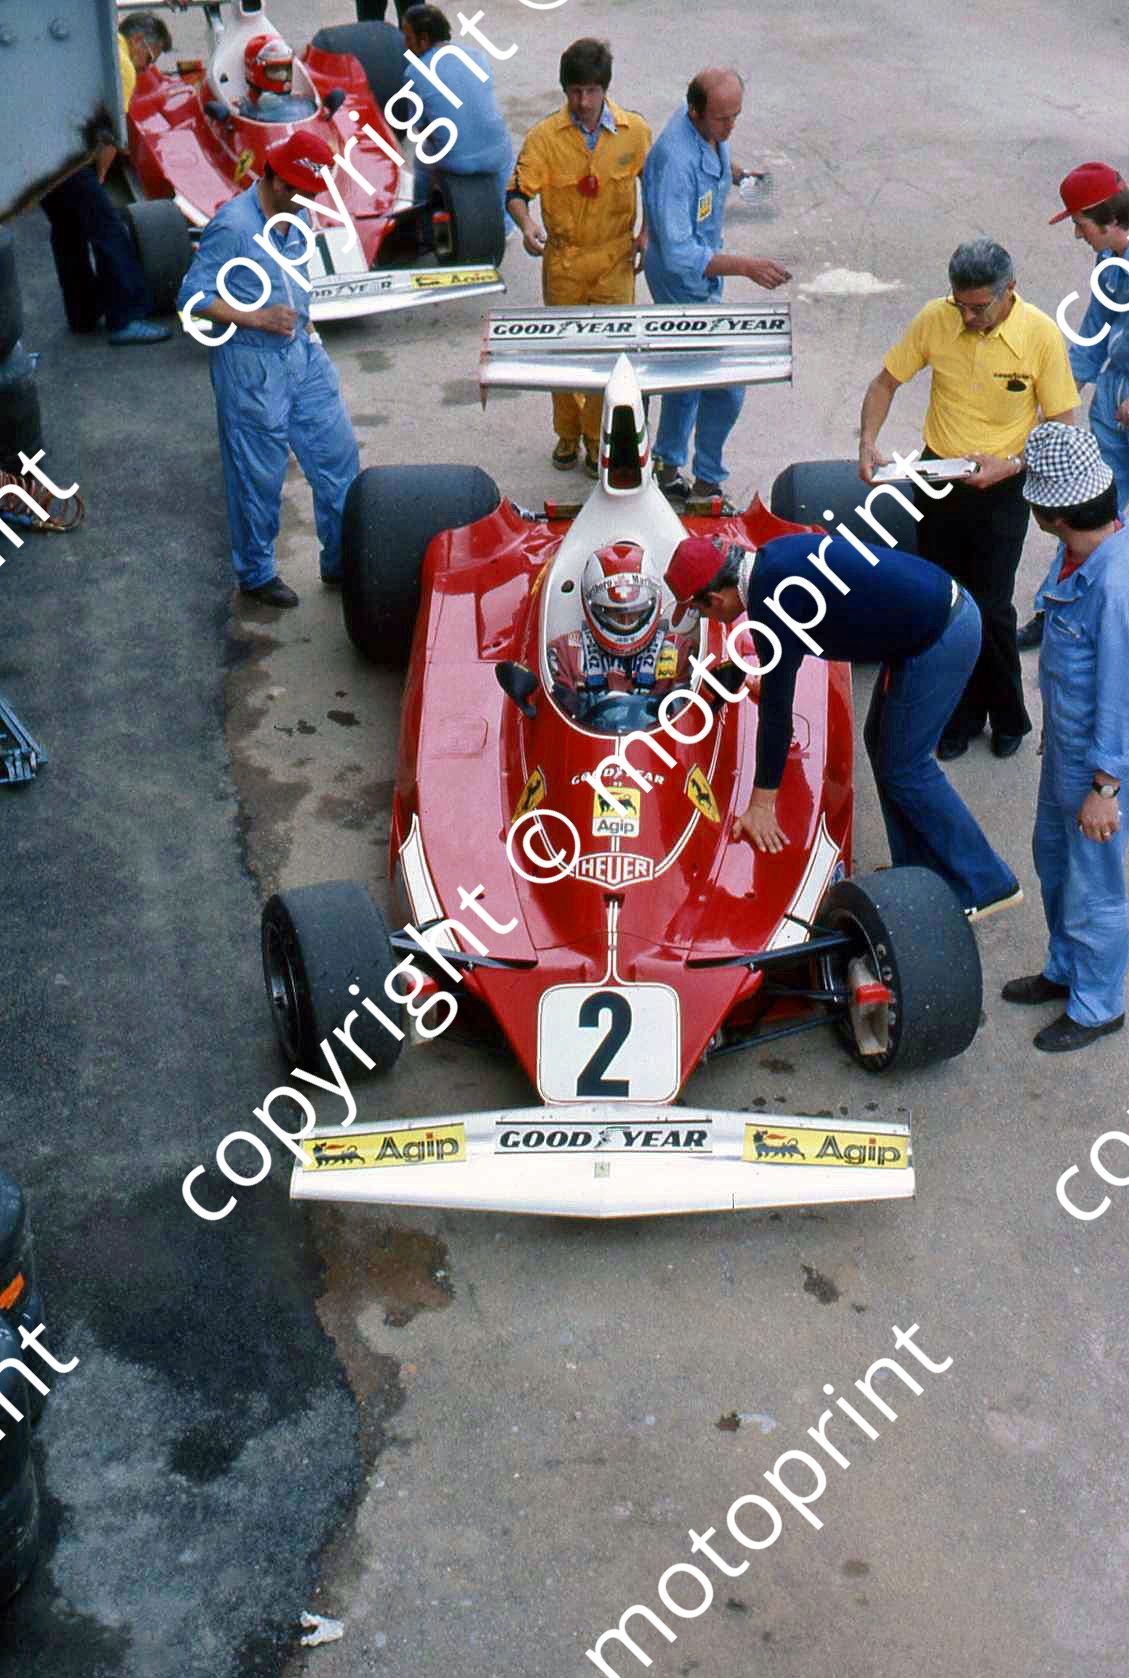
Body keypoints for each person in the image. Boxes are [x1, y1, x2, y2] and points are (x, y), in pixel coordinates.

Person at [663, 533, 1022, 920]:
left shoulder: (773, 600)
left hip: (940, 636)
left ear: (715, 599)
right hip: (925, 620)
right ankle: (917, 872)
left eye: (703, 612)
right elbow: (787, 662)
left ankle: (986, 883)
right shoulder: (771, 564)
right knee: (881, 744)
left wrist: (762, 805)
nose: (710, 619)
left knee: (906, 768)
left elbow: (777, 714)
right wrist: (771, 682)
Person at [859, 238, 1078, 761]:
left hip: (1003, 485)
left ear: (1010, 293)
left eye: (979, 307)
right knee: (943, 601)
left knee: (993, 606)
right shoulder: (936, 320)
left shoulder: (1041, 336)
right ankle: (955, 716)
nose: (969, 316)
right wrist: (868, 441)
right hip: (938, 478)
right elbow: (884, 383)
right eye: (961, 304)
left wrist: (1015, 464)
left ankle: (1007, 715)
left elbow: (1063, 424)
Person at [175, 132, 360, 608]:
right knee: (257, 476)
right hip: (251, 364)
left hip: (302, 353)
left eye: (312, 195)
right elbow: (191, 300)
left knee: (337, 459)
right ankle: (256, 574)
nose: (306, 204)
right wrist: (256, 317)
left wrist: (307, 326)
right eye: (299, 194)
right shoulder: (232, 227)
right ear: (275, 179)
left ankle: (342, 561)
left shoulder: (297, 218)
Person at [1000, 424, 1129, 1052]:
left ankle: (1100, 1003)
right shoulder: (1078, 553)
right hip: (1067, 749)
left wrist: (1105, 788)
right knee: (1054, 857)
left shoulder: (1113, 587)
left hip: (1098, 765)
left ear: (1048, 515)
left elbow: (1119, 697)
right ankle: (1065, 969)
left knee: (1094, 880)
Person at [642, 69, 790, 507]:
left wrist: (738, 175)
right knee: (722, 382)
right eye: (723, 119)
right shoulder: (675, 160)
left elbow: (715, 158)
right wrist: (744, 266)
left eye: (735, 117)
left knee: (689, 377)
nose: (730, 128)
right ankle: (703, 480)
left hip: (703, 276)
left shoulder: (705, 131)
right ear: (695, 111)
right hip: (682, 280)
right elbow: (679, 253)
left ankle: (670, 466)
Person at [507, 39, 650, 478]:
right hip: (564, 263)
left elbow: (656, 187)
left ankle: (597, 440)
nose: (582, 102)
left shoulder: (635, 132)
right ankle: (567, 434)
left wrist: (646, 232)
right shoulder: (545, 138)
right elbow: (516, 193)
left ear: (605, 89)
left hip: (615, 262)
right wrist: (528, 225)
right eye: (573, 92)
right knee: (566, 355)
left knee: (611, 357)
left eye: (590, 91)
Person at [1020, 163, 1129, 652]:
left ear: (1102, 216)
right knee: (1084, 507)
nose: (1078, 236)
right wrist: (1052, 397)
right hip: (1114, 404)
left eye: (1078, 225)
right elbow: (1092, 335)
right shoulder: (1109, 263)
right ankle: (1056, 603)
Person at [39, 13, 174, 345]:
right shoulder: (121, 64)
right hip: (71, 157)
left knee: (67, 231)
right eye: (150, 60)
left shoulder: (94, 46)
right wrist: (97, 176)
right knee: (109, 229)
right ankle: (125, 317)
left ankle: (82, 314)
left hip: (42, 156)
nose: (145, 70)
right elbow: (111, 136)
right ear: (139, 42)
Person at [400, 6, 514, 231]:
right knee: (505, 161)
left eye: (408, 37)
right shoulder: (477, 56)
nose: (405, 44)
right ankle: (506, 224)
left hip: (456, 162)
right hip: (498, 154)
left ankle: (420, 223)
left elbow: (418, 128)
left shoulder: (413, 73)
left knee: (420, 163)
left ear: (423, 40)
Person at [548, 542, 691, 720]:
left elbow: (689, 718)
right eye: (615, 613)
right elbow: (554, 719)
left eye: (636, 613)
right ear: (594, 608)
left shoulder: (680, 651)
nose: (626, 623)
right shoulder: (565, 652)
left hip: (657, 745)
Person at [236, 35, 317, 123]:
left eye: (287, 69)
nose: (283, 75)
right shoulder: (244, 108)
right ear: (255, 71)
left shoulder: (303, 103)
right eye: (275, 70)